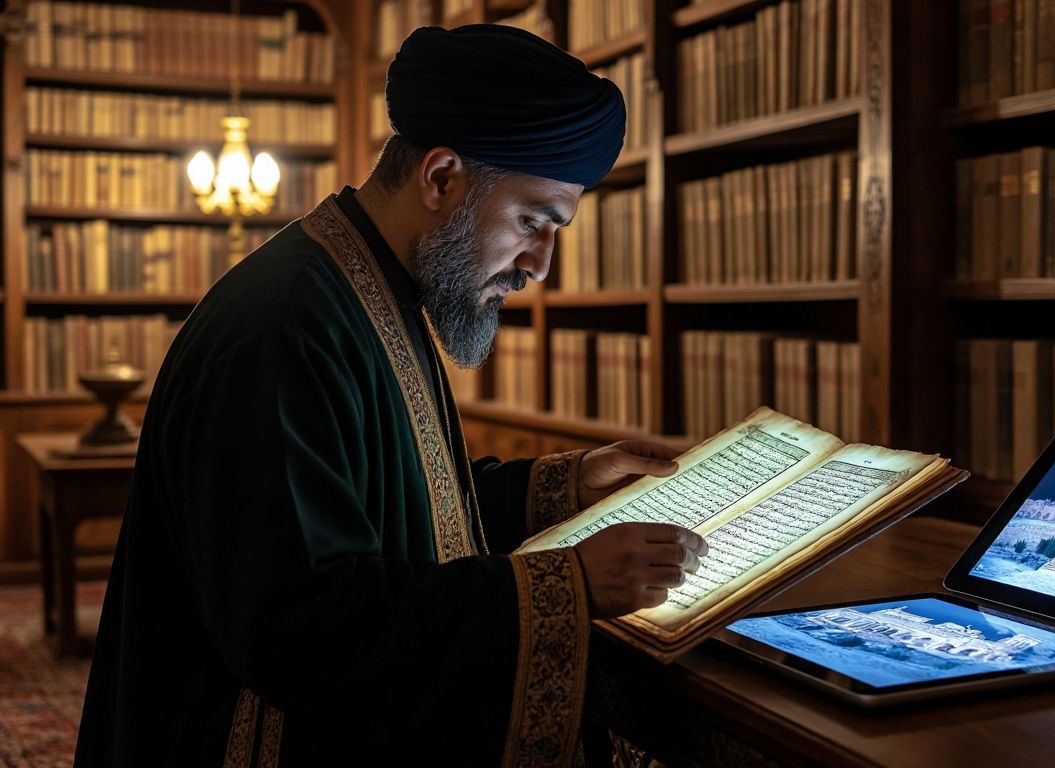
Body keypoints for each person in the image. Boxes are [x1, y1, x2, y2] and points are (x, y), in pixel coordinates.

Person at [74, 25, 706, 767]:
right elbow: (301, 622)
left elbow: (393, 508)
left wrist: (564, 486)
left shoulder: (371, 289)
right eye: (534, 221)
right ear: (441, 177)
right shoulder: (288, 326)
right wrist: (568, 583)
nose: (540, 264)